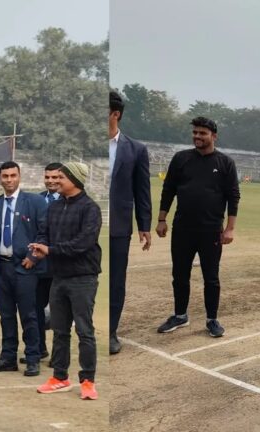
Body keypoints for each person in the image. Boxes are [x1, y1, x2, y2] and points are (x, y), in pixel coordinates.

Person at [155, 116, 240, 338]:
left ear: (214, 136)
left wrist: (230, 228)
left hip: (211, 230)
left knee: (211, 277)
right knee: (179, 275)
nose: (197, 136)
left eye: (202, 133)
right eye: (195, 132)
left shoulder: (225, 163)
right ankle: (180, 315)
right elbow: (168, 189)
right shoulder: (181, 158)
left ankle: (212, 319)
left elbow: (233, 196)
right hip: (182, 228)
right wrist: (162, 219)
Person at [30, 162, 101, 400]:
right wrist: (40, 247)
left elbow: (84, 243)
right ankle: (60, 377)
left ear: (75, 179)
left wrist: (50, 250)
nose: (56, 181)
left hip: (83, 278)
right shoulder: (54, 207)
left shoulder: (90, 208)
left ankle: (88, 381)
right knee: (60, 331)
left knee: (84, 331)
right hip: (59, 277)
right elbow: (44, 233)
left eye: (61, 177)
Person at [0, 161, 47, 377]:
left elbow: (44, 233)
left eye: (13, 175)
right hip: (1, 268)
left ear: (19, 176)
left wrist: (33, 257)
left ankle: (33, 358)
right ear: (0, 178)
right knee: (6, 315)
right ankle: (8, 357)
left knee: (29, 315)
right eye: (5, 176)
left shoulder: (34, 202)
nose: (9, 180)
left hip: (25, 268)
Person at [108, 91, 152, 355]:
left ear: (115, 114)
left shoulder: (136, 150)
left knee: (115, 282)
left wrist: (144, 226)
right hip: (83, 224)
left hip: (118, 227)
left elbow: (142, 191)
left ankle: (110, 331)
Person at [21, 163, 61, 366]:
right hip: (37, 267)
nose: (50, 181)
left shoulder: (69, 200)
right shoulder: (36, 200)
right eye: (47, 177)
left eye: (55, 177)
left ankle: (58, 354)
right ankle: (38, 349)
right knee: (34, 309)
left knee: (59, 312)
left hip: (59, 267)